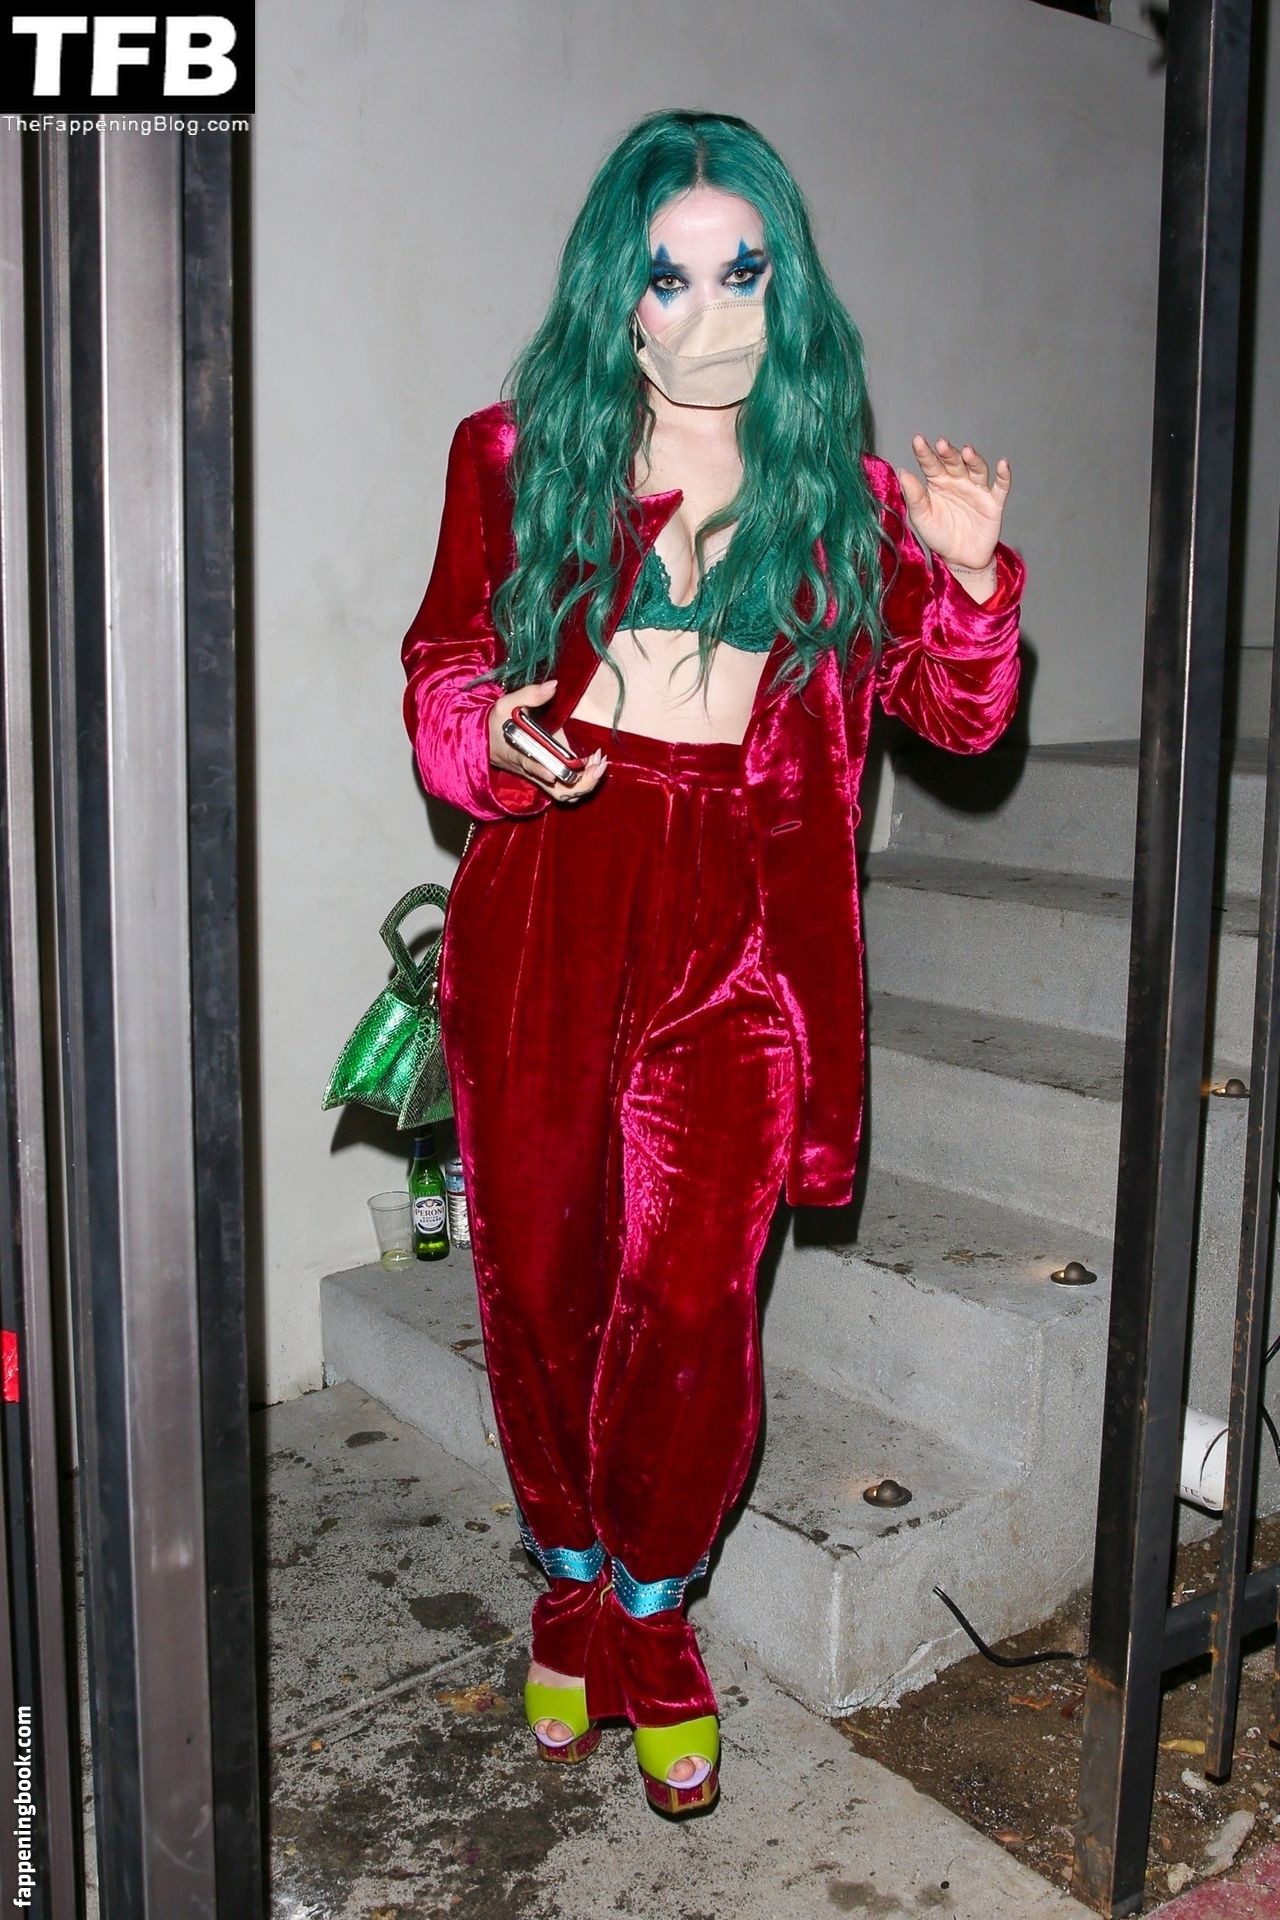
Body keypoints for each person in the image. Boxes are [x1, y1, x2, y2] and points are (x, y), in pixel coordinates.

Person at [400, 108, 1024, 1819]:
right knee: (540, 1280)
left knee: (691, 1307)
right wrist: (488, 737)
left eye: (741, 271)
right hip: (553, 894)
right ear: (618, 296)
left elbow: (958, 716)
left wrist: (973, 582)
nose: (706, 307)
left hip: (742, 931)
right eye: (668, 276)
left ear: (783, 284)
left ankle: (655, 1609)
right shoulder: (517, 454)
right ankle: (566, 1580)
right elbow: (445, 664)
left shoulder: (847, 494)